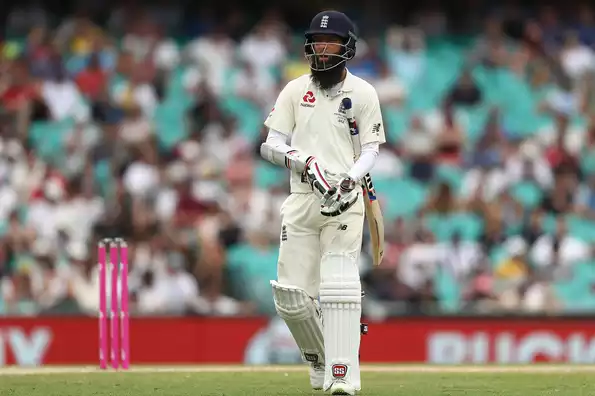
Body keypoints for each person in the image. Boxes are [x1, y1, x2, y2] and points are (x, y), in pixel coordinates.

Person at [260, 10, 386, 395]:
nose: (321, 50)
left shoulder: (363, 93)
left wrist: (348, 177)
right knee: (291, 297)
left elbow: (371, 150)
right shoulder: (295, 90)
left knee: (339, 285)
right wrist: (303, 161)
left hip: (345, 199)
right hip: (302, 197)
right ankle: (320, 360)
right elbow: (270, 145)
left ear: (346, 47)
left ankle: (343, 375)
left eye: (329, 43)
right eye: (316, 42)